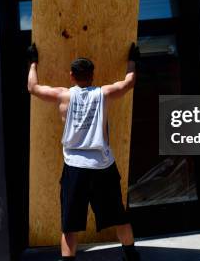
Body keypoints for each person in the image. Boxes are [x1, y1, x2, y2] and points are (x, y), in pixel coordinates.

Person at [27, 42, 142, 261]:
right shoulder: (104, 93)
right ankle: (132, 256)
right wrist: (131, 60)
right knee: (119, 216)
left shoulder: (63, 96)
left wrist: (33, 62)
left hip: (75, 168)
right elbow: (129, 82)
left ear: (71, 75)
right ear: (92, 75)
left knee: (70, 224)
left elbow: (33, 88)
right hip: (103, 166)